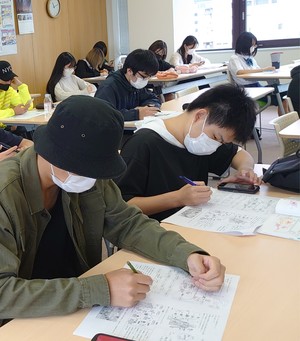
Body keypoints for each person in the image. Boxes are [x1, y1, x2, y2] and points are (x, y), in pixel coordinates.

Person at [0, 95, 225, 324]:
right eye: (85, 170)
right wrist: (100, 289)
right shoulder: (6, 195)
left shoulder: (88, 173)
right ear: (51, 152)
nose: (92, 179)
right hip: (21, 319)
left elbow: (128, 224)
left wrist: (187, 254)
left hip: (74, 307)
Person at [116, 84, 260, 222]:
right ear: (199, 116)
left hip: (191, 222)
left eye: (222, 143)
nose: (216, 145)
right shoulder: (143, 144)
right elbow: (120, 207)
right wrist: (178, 198)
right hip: (151, 231)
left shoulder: (198, 138)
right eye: (216, 137)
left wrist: (244, 171)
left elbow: (240, 154)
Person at [228, 31, 287, 115]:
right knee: (281, 95)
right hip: (247, 91)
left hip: (257, 87)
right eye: (252, 45)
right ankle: (285, 122)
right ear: (244, 44)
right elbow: (240, 72)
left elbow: (259, 71)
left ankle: (287, 120)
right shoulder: (235, 58)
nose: (254, 47)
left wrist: (269, 71)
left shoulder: (250, 58)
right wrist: (263, 69)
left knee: (284, 91)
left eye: (255, 45)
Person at [95, 49, 161, 121]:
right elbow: (103, 116)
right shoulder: (108, 87)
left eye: (149, 76)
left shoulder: (135, 85)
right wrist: (136, 114)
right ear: (129, 71)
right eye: (144, 76)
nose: (146, 80)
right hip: (117, 130)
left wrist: (149, 107)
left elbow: (152, 98)